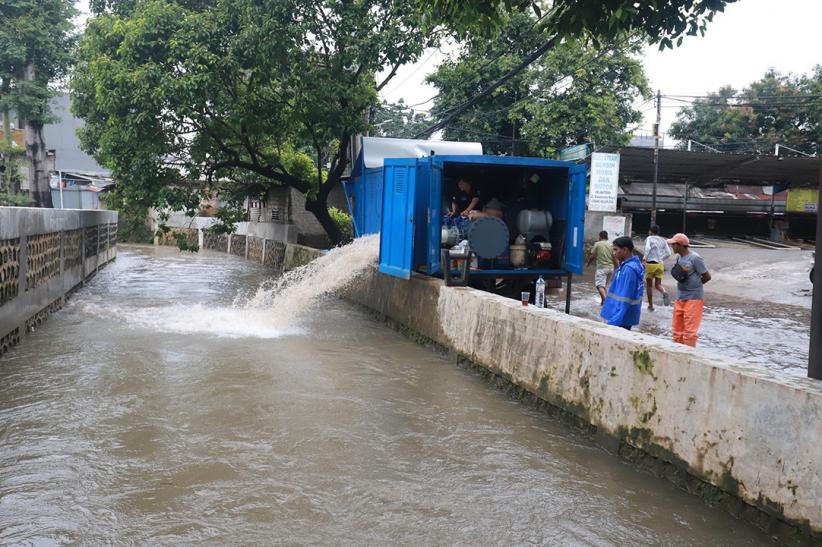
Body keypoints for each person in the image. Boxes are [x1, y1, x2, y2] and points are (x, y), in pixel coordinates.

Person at [667, 233, 711, 347]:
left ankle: (689, 355)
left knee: (690, 332)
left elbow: (707, 277)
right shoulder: (679, 257)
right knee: (677, 331)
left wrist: (695, 286)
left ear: (680, 245)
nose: (672, 247)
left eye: (673, 245)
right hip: (680, 296)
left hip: (694, 299)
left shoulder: (695, 258)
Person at [600, 236, 644, 330]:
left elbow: (625, 299)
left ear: (625, 250)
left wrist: (613, 323)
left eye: (616, 250)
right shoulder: (630, 265)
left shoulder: (629, 270)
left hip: (621, 318)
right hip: (624, 316)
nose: (614, 253)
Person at [643, 224, 672, 311]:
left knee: (649, 286)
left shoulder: (649, 238)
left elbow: (648, 248)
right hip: (660, 264)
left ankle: (651, 306)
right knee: (658, 284)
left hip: (651, 264)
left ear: (650, 231)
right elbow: (669, 253)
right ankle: (664, 292)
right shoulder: (663, 240)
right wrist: (660, 258)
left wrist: (644, 258)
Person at [586, 231, 618, 305]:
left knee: (599, 285)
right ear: (607, 236)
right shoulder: (611, 245)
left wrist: (588, 263)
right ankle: (603, 302)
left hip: (602, 268)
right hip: (611, 269)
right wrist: (618, 267)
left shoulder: (597, 244)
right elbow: (615, 258)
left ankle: (606, 301)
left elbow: (592, 256)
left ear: (600, 236)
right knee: (604, 286)